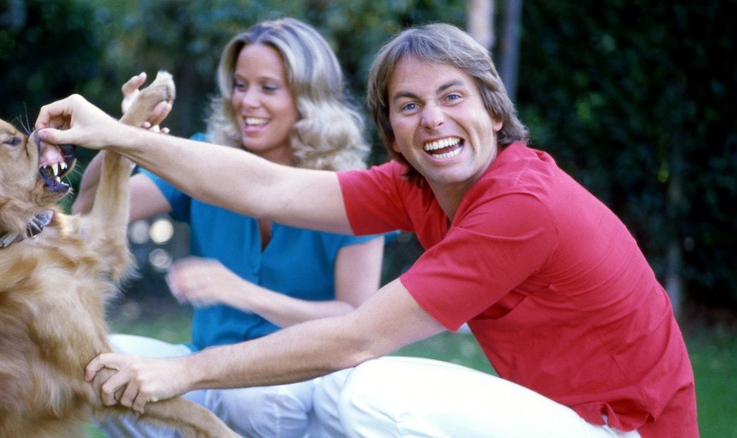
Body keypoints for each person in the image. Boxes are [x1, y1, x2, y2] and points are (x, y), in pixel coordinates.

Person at [36, 23, 698, 438]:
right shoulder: (415, 188)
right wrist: (121, 135)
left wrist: (181, 373)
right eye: (409, 105)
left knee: (371, 393)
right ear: (392, 131)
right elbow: (268, 186)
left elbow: (358, 335)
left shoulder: (521, 204)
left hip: (621, 431)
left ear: (495, 113)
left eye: (452, 96)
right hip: (556, 418)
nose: (432, 119)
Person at [71, 18, 386, 437]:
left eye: (268, 88)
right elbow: (89, 213)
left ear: (309, 99)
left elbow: (356, 319)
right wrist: (122, 136)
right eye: (240, 85)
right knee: (101, 366)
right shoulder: (204, 159)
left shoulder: (352, 189)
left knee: (253, 398)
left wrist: (244, 294)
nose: (247, 101)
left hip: (300, 380)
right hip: (200, 367)